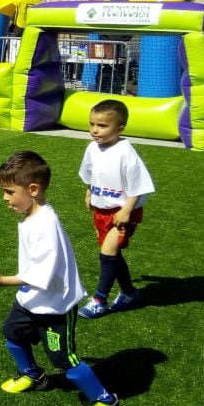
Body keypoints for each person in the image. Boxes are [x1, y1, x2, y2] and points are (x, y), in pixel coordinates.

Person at [0, 150, 122, 406]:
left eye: (8, 192)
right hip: (31, 300)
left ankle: (107, 403)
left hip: (55, 306)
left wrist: (2, 281)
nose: (4, 198)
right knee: (12, 332)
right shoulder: (31, 217)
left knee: (64, 359)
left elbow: (42, 273)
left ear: (32, 189)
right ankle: (33, 374)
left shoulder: (46, 225)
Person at [77, 99, 155, 319]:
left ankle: (99, 300)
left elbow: (138, 186)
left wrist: (127, 210)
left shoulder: (126, 152)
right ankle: (129, 293)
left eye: (102, 126)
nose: (94, 130)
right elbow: (90, 173)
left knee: (108, 252)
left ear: (119, 128)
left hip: (122, 212)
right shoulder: (92, 148)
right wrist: (89, 191)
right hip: (101, 210)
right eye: (92, 124)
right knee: (112, 254)